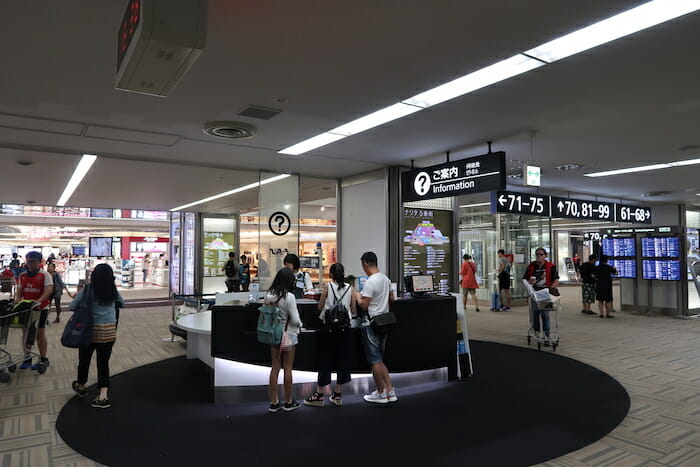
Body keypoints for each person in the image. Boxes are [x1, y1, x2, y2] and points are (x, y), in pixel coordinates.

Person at [70, 264, 125, 408]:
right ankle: (103, 394)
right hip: (108, 331)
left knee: (84, 359)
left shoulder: (87, 290)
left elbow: (72, 306)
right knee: (103, 362)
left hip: (89, 331)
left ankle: (81, 386)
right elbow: (122, 303)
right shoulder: (112, 290)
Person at [304, 263, 357, 408]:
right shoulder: (350, 289)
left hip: (328, 329)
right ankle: (338, 394)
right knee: (342, 359)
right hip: (344, 330)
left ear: (331, 274)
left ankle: (320, 395)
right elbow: (353, 310)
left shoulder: (328, 287)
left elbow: (320, 306)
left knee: (325, 360)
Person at [357, 251, 397, 404]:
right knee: (380, 359)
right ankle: (389, 391)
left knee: (375, 361)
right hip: (385, 322)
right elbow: (392, 298)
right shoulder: (385, 279)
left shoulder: (370, 282)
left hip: (372, 323)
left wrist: (357, 296)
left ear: (366, 264)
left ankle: (380, 393)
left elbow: (364, 305)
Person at [266, 268, 303, 413]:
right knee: (288, 368)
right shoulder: (290, 297)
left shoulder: (269, 295)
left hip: (273, 335)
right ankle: (288, 402)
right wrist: (301, 325)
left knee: (275, 368)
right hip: (288, 335)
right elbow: (295, 319)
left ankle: (274, 402)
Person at [15, 251, 53, 370]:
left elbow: (49, 290)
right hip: (26, 309)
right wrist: (17, 302)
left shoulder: (45, 275)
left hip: (41, 309)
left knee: (39, 334)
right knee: (26, 333)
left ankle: (43, 358)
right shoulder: (23, 276)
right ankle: (27, 357)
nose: (30, 264)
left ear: (39, 262)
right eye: (28, 261)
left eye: (33, 262)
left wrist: (39, 301)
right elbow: (19, 292)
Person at [523, 248, 560, 346]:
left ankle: (546, 336)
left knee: (545, 315)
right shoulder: (531, 266)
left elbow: (556, 280)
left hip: (545, 294)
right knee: (534, 315)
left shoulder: (551, 266)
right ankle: (537, 333)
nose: (538, 256)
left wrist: (550, 290)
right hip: (534, 293)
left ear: (545, 256)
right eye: (537, 254)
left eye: (541, 254)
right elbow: (525, 279)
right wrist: (529, 285)